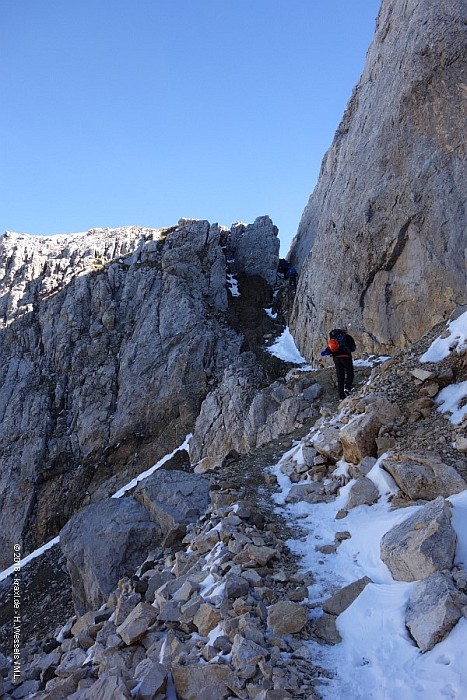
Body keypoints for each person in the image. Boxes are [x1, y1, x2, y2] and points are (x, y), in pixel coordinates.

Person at [320, 327, 356, 400]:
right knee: (350, 373)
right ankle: (347, 388)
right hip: (346, 357)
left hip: (337, 359)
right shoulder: (348, 337)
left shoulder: (334, 339)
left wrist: (324, 353)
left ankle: (341, 396)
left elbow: (328, 350)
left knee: (340, 377)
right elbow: (353, 348)